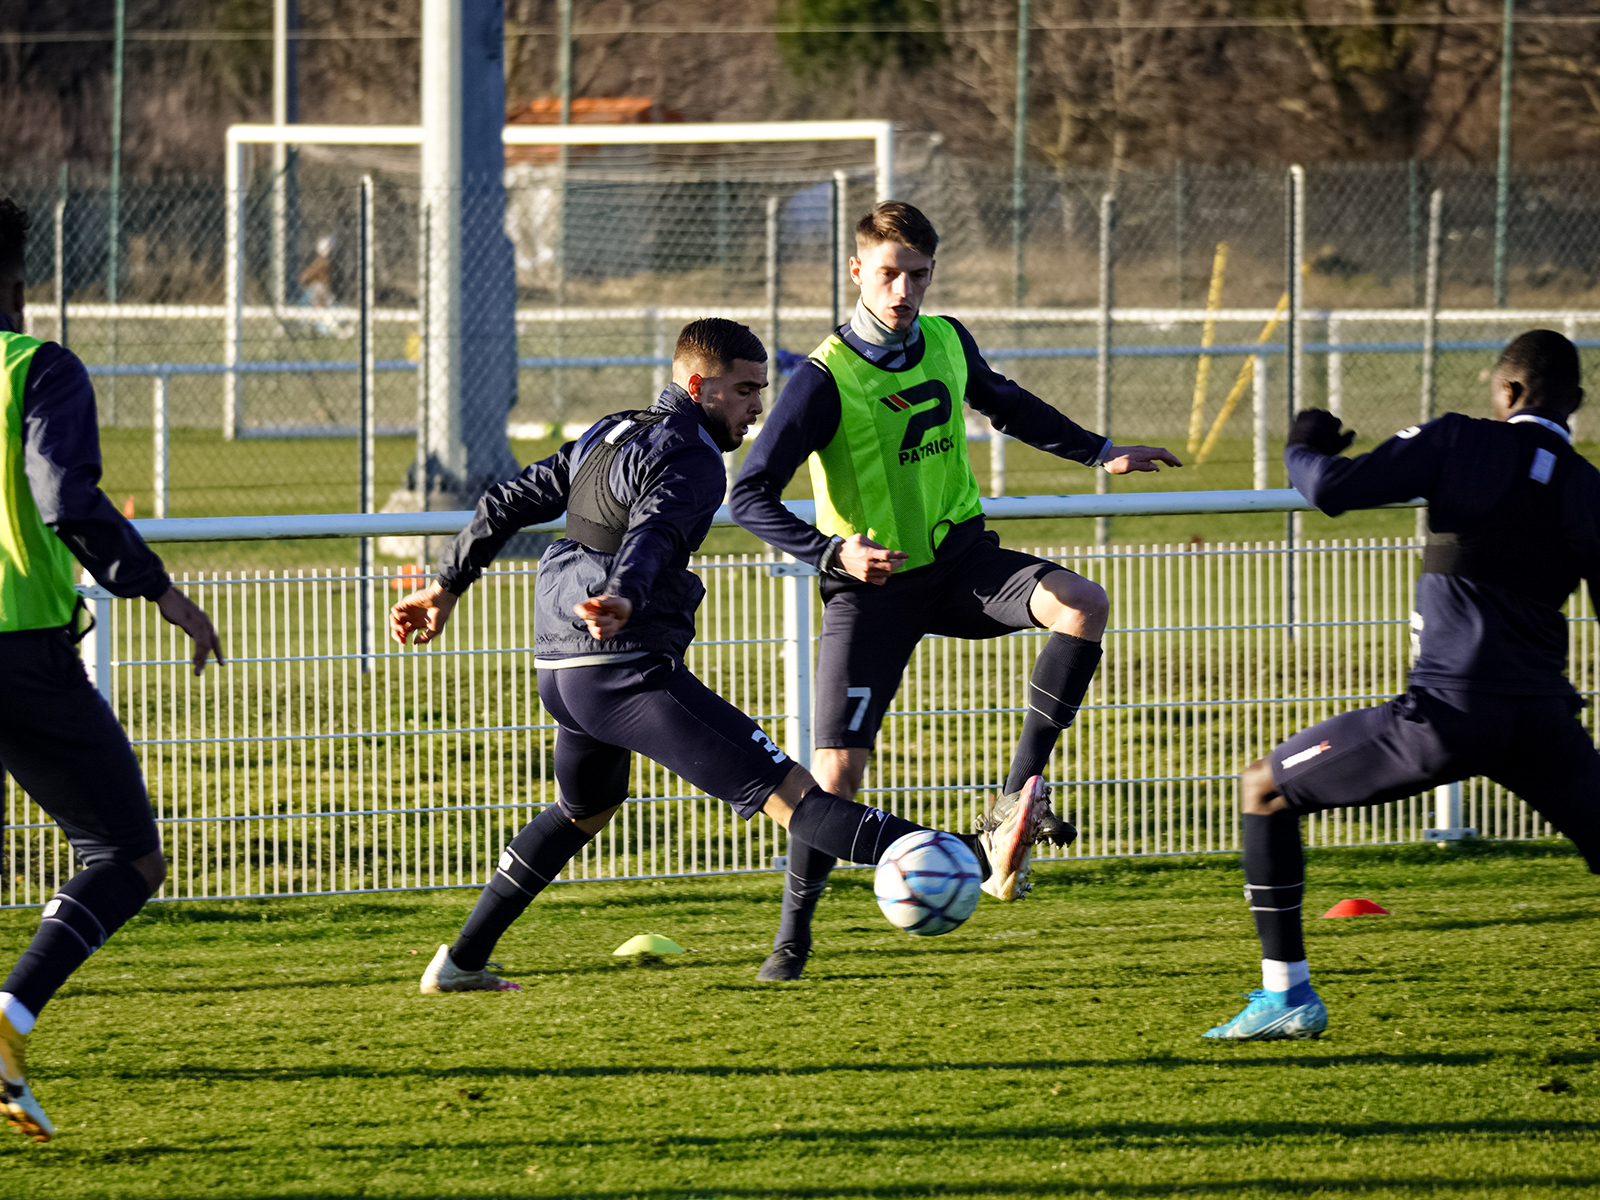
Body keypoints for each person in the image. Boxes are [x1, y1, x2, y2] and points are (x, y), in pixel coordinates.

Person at [389, 318, 1045, 995]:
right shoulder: (692, 456)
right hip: (622, 666)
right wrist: (624, 595)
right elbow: (654, 533)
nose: (758, 405)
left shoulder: (611, 431)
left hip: (561, 667)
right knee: (795, 796)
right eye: (746, 390)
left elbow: (508, 501)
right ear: (701, 386)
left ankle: (462, 961)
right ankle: (973, 855)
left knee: (584, 808)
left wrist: (446, 585)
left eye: (762, 389)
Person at [730, 201, 1181, 980]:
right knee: (832, 780)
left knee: (1082, 603)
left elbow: (1006, 402)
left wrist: (1099, 451)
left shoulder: (946, 338)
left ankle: (1011, 809)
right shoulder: (823, 379)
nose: (903, 291)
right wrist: (833, 553)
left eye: (918, 275)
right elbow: (749, 495)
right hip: (874, 593)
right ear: (857, 272)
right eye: (889, 274)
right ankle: (791, 941)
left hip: (963, 567)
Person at [1204, 329, 1600, 1042]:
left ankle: (1286, 996)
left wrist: (1303, 443)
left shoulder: (1462, 439)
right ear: (1575, 402)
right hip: (1545, 720)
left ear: (1507, 391)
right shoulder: (1587, 487)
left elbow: (1332, 488)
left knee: (1263, 787)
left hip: (1446, 716)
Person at [0, 198, 224, 1140]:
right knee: (125, 855)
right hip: (18, 654)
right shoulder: (37, 367)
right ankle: (9, 1018)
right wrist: (158, 589)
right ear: (19, 282)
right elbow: (63, 499)